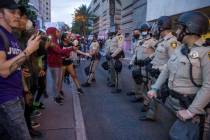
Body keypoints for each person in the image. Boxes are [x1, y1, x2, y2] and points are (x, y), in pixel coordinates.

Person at [147, 11, 210, 140]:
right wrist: (155, 88)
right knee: (172, 131)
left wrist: (191, 111)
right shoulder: (180, 49)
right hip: (173, 101)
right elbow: (167, 69)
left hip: (190, 106)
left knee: (184, 136)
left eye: (180, 27)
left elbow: (208, 85)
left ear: (190, 29)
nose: (177, 30)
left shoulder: (206, 53)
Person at [0, 0, 41, 139]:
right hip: (6, 99)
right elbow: (3, 70)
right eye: (12, 12)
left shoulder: (12, 36)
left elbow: (17, 67)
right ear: (0, 14)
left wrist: (25, 90)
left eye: (18, 12)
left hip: (17, 96)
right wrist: (28, 51)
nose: (17, 16)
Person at [139, 16, 180, 121]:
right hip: (155, 74)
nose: (156, 29)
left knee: (168, 102)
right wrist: (149, 61)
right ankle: (151, 114)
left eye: (158, 27)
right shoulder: (162, 41)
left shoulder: (172, 42)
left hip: (161, 75)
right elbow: (157, 55)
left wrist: (159, 69)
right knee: (154, 96)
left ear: (162, 27)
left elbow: (174, 62)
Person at [46, 27, 76, 105]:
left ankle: (57, 95)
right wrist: (71, 49)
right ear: (53, 33)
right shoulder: (52, 42)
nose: (59, 33)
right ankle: (56, 97)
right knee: (56, 82)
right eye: (57, 31)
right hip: (54, 65)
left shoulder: (54, 41)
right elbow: (60, 51)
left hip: (56, 64)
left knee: (57, 81)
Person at [128, 23, 157, 103]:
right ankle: (138, 95)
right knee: (137, 80)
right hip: (138, 64)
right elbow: (136, 53)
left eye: (145, 30)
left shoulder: (152, 41)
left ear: (148, 31)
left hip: (146, 66)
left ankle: (147, 102)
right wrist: (131, 62)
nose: (143, 32)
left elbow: (157, 52)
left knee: (146, 84)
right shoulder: (140, 41)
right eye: (142, 30)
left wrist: (149, 58)